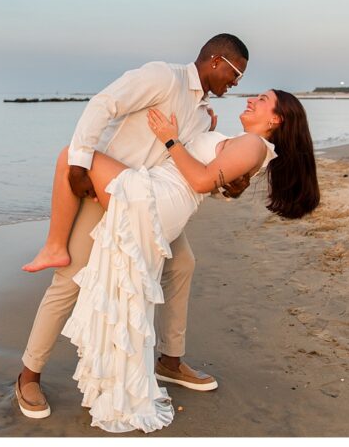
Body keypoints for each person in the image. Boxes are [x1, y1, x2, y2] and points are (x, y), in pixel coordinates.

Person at [15, 34, 250, 421]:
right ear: (215, 60)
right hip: (106, 193)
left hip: (150, 205)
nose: (237, 82)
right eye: (236, 72)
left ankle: (170, 361)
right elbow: (103, 104)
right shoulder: (164, 77)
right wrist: (78, 162)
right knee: (70, 280)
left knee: (183, 263)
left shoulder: (205, 113)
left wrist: (229, 182)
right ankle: (28, 374)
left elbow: (190, 167)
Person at [64, 90, 319, 432]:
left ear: (276, 119)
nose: (252, 100)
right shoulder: (248, 144)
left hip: (158, 200)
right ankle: (125, 382)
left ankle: (54, 244)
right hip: (162, 203)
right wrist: (201, 133)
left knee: (76, 154)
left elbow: (200, 180)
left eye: (262, 99)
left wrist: (171, 139)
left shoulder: (254, 145)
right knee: (130, 294)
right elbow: (214, 177)